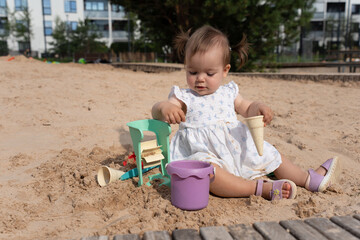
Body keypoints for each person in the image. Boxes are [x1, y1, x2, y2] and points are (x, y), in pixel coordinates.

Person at [151, 25, 341, 200]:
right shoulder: (184, 96)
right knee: (209, 172)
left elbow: (246, 107)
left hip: (236, 147)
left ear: (225, 71)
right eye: (192, 72)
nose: (200, 79)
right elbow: (157, 110)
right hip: (204, 153)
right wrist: (165, 108)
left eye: (209, 74)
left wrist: (257, 108)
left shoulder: (228, 92)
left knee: (270, 153)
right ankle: (257, 189)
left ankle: (308, 179)